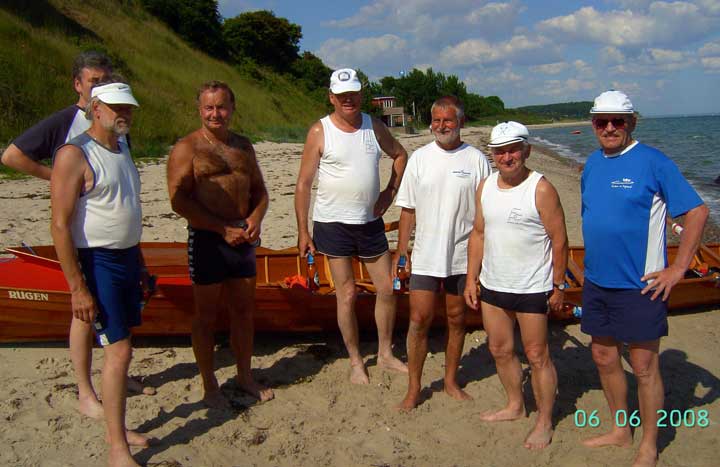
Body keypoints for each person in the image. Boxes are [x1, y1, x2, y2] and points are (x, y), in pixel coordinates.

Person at [0, 51, 139, 420]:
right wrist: (59, 181)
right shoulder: (67, 120)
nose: (100, 85)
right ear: (78, 85)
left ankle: (108, 377)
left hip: (109, 228)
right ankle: (85, 390)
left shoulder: (118, 125)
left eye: (105, 79)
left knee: (92, 315)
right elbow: (11, 156)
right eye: (93, 80)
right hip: (80, 233)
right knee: (81, 309)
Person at [580, 91, 708, 466]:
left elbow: (697, 211)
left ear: (631, 122)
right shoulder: (591, 163)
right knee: (603, 357)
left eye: (617, 121)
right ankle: (622, 429)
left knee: (643, 367)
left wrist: (678, 268)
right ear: (592, 124)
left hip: (641, 285)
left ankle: (649, 445)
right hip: (596, 281)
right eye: (601, 121)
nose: (609, 128)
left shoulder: (654, 162)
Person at [51, 81, 148, 467]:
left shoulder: (122, 147)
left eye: (129, 108)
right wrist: (77, 287)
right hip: (98, 261)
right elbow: (59, 225)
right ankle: (116, 449)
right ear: (95, 107)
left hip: (126, 258)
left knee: (123, 350)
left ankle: (117, 429)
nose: (124, 114)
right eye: (115, 107)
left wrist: (140, 262)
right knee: (119, 351)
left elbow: (127, 208)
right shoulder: (75, 154)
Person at [295, 68, 408, 384]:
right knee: (346, 295)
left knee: (387, 288)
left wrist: (390, 191)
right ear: (331, 97)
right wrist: (303, 231)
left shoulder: (373, 126)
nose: (349, 99)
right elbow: (304, 184)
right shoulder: (320, 131)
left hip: (370, 223)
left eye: (354, 94)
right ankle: (356, 360)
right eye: (342, 95)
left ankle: (385, 353)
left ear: (361, 95)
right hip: (332, 224)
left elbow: (400, 155)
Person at [167, 81, 274, 407]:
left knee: (243, 312)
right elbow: (178, 200)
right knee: (206, 316)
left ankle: (244, 377)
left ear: (232, 108)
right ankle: (210, 385)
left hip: (242, 239)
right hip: (207, 239)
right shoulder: (187, 148)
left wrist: (256, 217)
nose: (216, 113)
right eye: (209, 107)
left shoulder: (244, 147)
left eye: (222, 106)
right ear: (200, 110)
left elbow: (260, 192)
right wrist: (219, 228)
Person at [464, 121, 568, 450]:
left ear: (526, 151)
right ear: (492, 154)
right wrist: (471, 277)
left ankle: (544, 420)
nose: (507, 157)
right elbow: (478, 233)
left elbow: (560, 240)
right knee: (500, 349)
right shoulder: (485, 187)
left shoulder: (541, 188)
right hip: (493, 284)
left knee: (537, 355)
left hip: (532, 286)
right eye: (500, 151)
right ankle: (515, 404)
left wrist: (559, 284)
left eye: (513, 150)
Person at [394, 96, 491, 410]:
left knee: (456, 319)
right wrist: (401, 252)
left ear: (460, 122)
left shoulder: (477, 160)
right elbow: (407, 210)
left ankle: (450, 381)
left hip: (462, 256)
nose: (440, 126)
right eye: (436, 120)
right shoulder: (420, 158)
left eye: (447, 120)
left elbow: (485, 214)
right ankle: (413, 388)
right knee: (419, 319)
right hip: (424, 255)